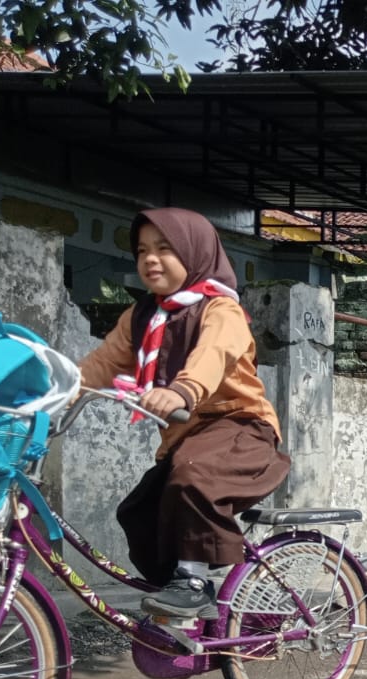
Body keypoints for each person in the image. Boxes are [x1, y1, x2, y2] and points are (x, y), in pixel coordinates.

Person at [79, 208, 291, 618]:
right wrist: (50, 391)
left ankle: (194, 582)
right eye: (142, 250)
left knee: (192, 476)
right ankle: (176, 602)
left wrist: (182, 390)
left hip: (241, 429)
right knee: (138, 512)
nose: (150, 259)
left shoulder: (220, 310)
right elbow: (99, 366)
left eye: (164, 249)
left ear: (194, 253)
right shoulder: (143, 316)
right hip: (188, 440)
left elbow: (214, 354)